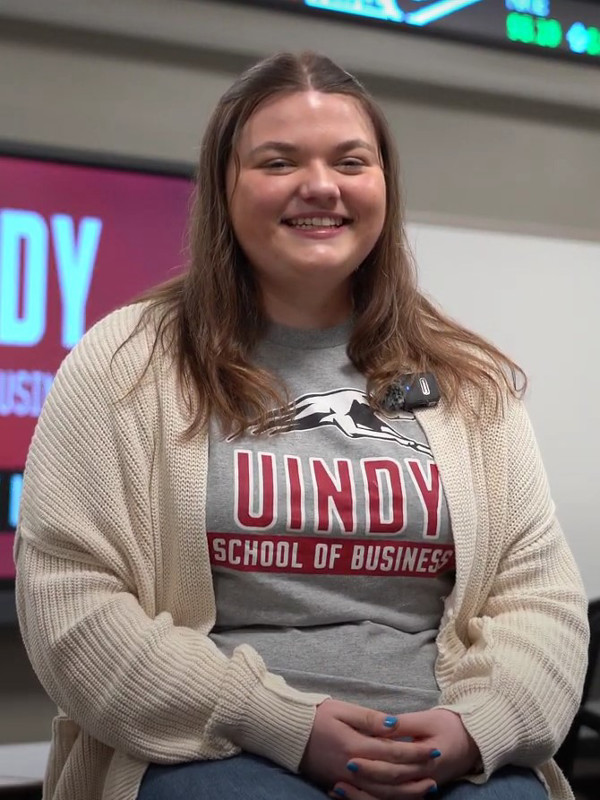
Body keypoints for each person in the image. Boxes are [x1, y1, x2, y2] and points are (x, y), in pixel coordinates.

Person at [14, 51, 589, 800]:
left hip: (441, 749)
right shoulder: (123, 363)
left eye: (351, 161)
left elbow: (539, 596)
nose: (320, 186)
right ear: (225, 189)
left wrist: (479, 726)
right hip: (219, 748)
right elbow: (71, 597)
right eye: (278, 162)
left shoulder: (468, 379)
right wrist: (283, 723)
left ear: (383, 184)